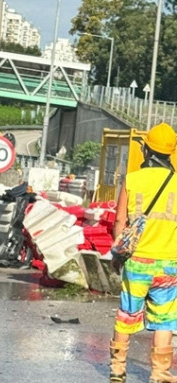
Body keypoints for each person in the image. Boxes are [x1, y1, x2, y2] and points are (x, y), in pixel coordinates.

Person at [110, 122, 177, 383]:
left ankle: (117, 368)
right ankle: (159, 372)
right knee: (165, 320)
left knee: (127, 313)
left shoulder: (132, 179)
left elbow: (119, 223)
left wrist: (118, 256)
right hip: (170, 263)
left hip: (137, 261)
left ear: (146, 150)